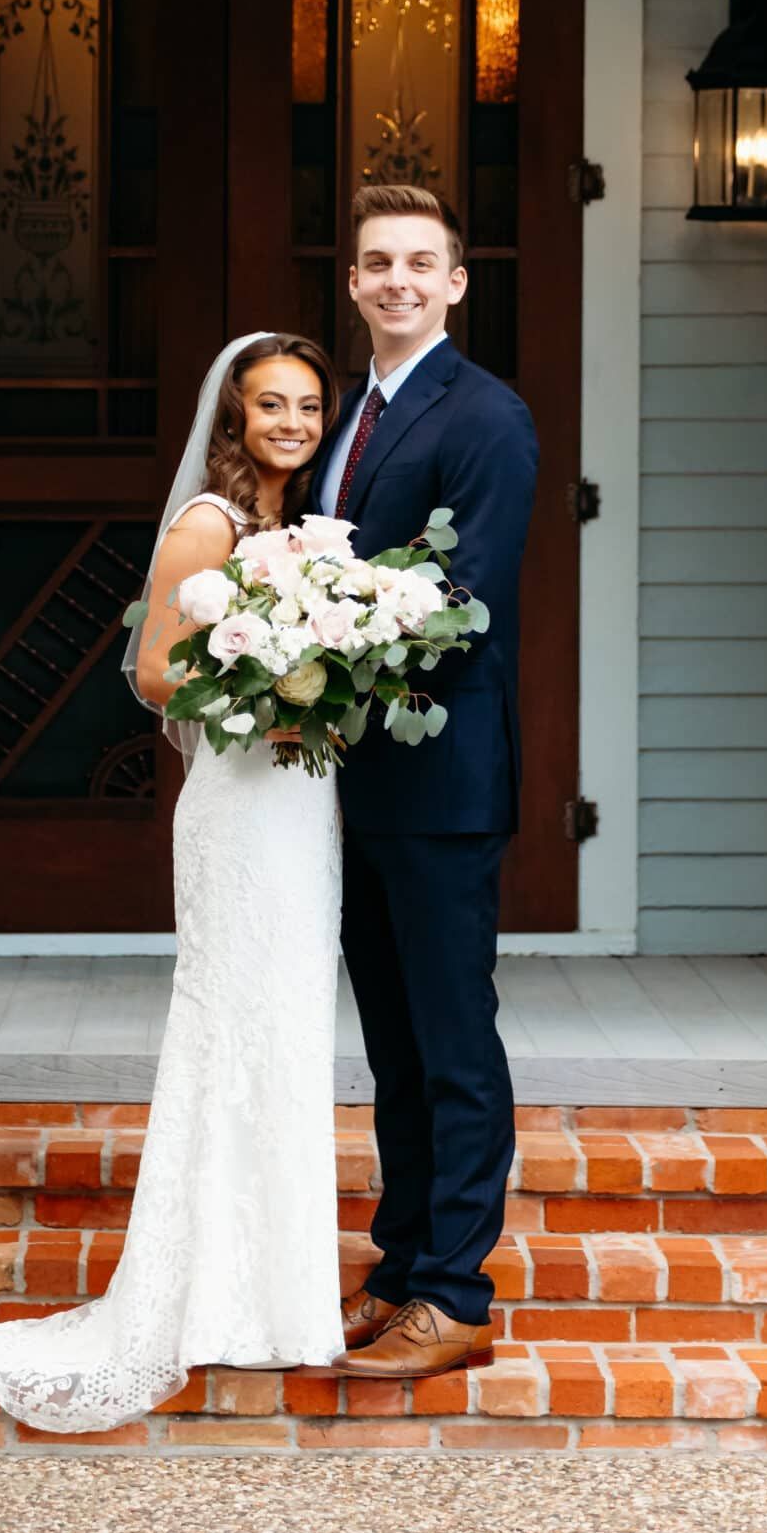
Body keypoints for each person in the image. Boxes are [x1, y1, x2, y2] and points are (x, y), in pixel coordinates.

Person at [0, 332, 346, 1432]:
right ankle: (208, 1297)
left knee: (287, 1025)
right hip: (238, 797)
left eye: (307, 405)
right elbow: (158, 667)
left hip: (298, 803)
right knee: (234, 1027)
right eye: (270, 404)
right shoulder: (210, 523)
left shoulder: (299, 531)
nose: (291, 423)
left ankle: (277, 1295)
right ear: (235, 416)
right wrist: (273, 694)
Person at [313, 183, 539, 1381]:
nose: (397, 278)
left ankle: (457, 1291)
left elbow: (468, 602)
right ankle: (402, 1265)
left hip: (441, 776)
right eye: (375, 262)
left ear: (456, 282)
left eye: (420, 261)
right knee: (394, 1042)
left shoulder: (486, 417)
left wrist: (319, 635)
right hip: (357, 781)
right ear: (351, 283)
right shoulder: (352, 414)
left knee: (452, 1042)